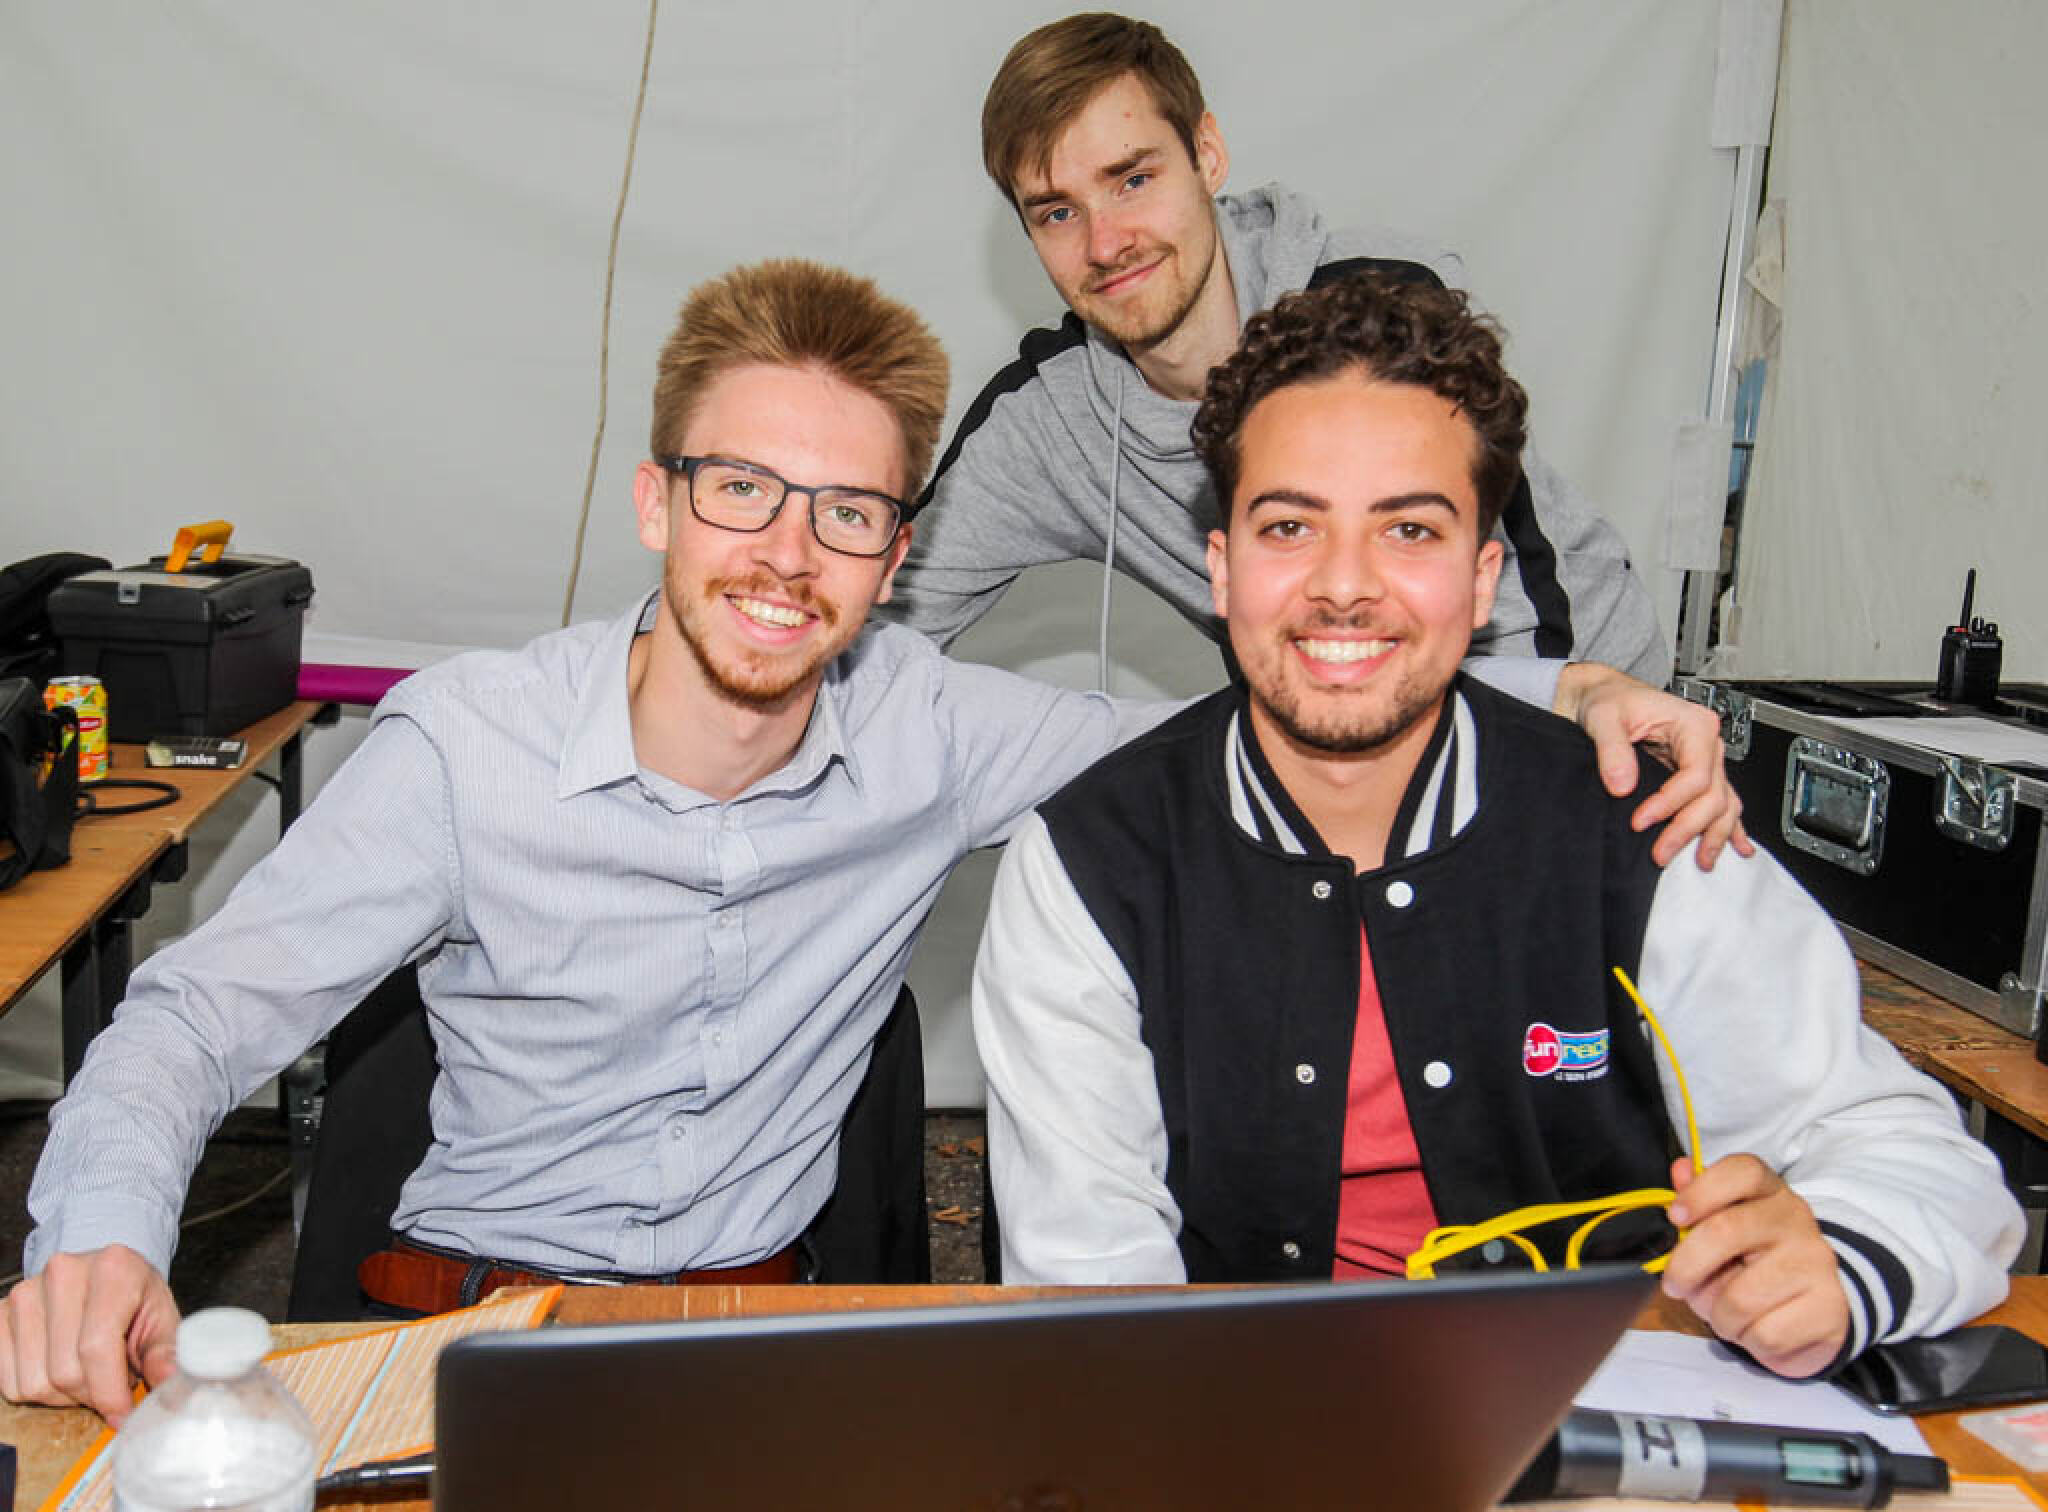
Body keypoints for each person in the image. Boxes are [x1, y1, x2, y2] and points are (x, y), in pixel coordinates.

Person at [0, 259, 1167, 1425]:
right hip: (474, 1342)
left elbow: (1211, 753)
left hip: (756, 1349)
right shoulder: (469, 751)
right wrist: (100, 1238)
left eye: (847, 512)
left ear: (892, 561)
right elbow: (196, 1019)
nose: (789, 553)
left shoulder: (933, 730)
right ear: (656, 503)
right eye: (742, 488)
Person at [971, 271, 2021, 1378]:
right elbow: (1093, 1280)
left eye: (1407, 529)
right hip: (1239, 1412)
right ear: (1222, 569)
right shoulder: (1088, 866)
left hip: (1608, 1411)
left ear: (1481, 582)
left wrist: (1834, 1270)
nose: (1344, 586)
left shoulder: (1641, 830)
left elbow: (1913, 1159)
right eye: (1289, 526)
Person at [884, 12, 1745, 866]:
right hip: (1349, 737)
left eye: (1133, 179)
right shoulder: (1048, 421)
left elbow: (1520, 629)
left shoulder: (1380, 311)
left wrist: (1574, 721)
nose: (1106, 243)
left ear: (1207, 154)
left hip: (1591, 717)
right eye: (1056, 212)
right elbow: (871, 621)